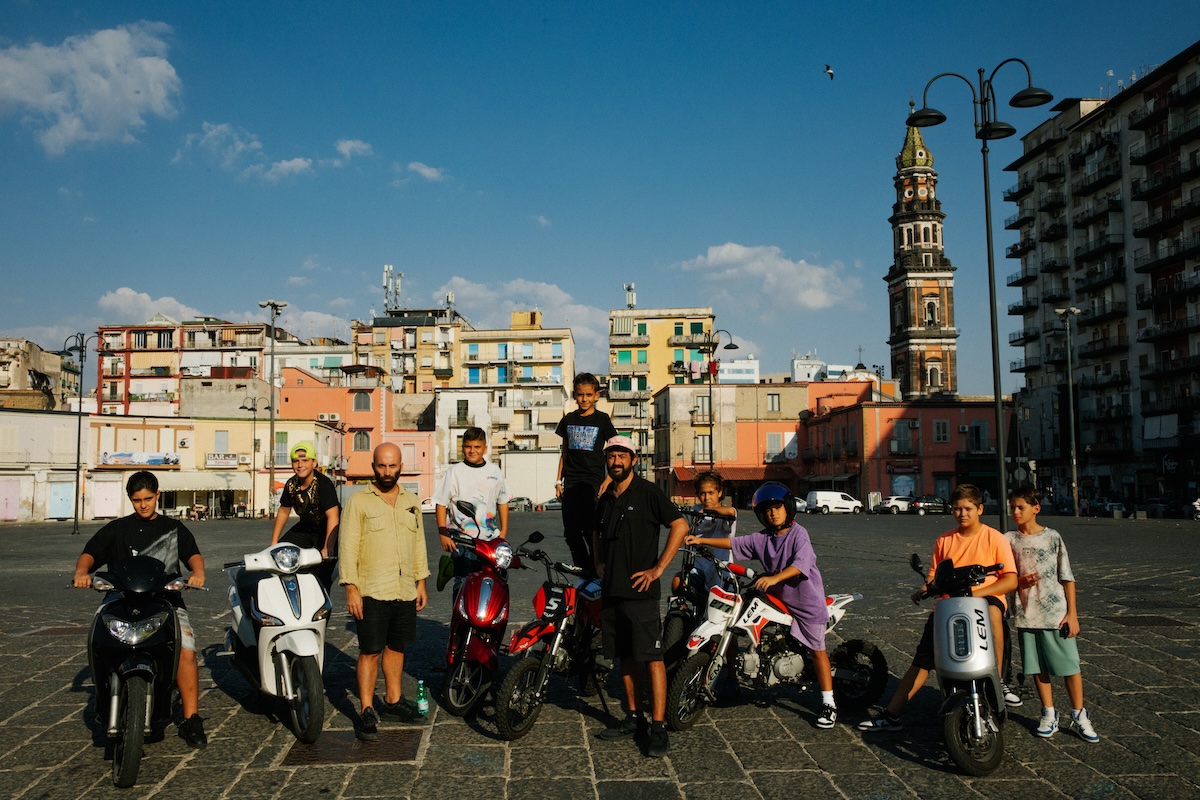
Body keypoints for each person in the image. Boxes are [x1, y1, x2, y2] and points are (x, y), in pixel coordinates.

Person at [859, 483, 1017, 732]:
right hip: (950, 602)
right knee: (922, 660)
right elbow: (934, 576)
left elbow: (1010, 579)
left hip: (986, 596)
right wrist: (924, 589)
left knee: (994, 615)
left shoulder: (994, 538)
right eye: (957, 509)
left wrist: (977, 592)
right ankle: (892, 714)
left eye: (967, 508)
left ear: (979, 509)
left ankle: (995, 679)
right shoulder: (944, 540)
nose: (962, 513)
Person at [72, 470, 209, 749]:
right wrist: (81, 571)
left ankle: (191, 717)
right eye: (137, 500)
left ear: (158, 495)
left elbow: (192, 554)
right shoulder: (116, 529)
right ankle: (105, 698)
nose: (143, 505)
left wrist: (198, 572)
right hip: (119, 600)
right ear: (130, 500)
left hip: (166, 600)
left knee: (186, 651)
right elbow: (91, 552)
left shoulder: (174, 528)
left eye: (148, 498)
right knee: (100, 643)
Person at [686, 481, 838, 729]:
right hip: (777, 599)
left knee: (817, 649)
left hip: (806, 603)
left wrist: (774, 577)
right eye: (767, 510)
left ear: (788, 508)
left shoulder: (799, 534)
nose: (773, 513)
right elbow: (737, 544)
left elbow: (801, 564)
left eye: (777, 507)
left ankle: (828, 703)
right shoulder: (764, 538)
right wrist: (701, 541)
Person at [593, 436, 688, 758]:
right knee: (626, 656)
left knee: (652, 658)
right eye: (612, 456)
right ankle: (634, 718)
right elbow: (596, 530)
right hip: (612, 591)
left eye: (622, 455)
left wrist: (659, 567)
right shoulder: (605, 497)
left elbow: (679, 525)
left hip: (641, 592)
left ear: (633, 459)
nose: (616, 461)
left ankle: (658, 726)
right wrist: (599, 561)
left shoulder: (648, 493)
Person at [339, 442, 430, 741]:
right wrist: (351, 587)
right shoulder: (358, 502)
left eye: (392, 466)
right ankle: (366, 709)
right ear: (373, 467)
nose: (387, 471)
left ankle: (393, 701)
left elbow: (418, 545)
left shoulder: (411, 501)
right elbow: (348, 546)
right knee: (370, 651)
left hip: (403, 588)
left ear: (400, 466)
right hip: (372, 589)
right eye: (381, 465)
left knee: (397, 647)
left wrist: (421, 582)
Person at [1006, 487, 1099, 742]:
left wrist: (1073, 614)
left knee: (1070, 666)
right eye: (1012, 506)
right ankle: (1048, 712)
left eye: (1020, 507)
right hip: (1027, 613)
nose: (1014, 511)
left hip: (1056, 612)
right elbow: (1005, 576)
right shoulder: (1008, 539)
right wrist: (1018, 583)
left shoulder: (1052, 537)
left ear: (1036, 508)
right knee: (1037, 667)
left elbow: (1067, 576)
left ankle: (1079, 714)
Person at [555, 372, 617, 576]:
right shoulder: (568, 420)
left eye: (589, 395)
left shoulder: (602, 420)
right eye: (580, 395)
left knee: (592, 530)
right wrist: (558, 481)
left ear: (596, 396)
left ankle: (598, 567)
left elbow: (615, 448)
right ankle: (585, 568)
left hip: (594, 482)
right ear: (575, 395)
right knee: (571, 532)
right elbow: (564, 453)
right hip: (571, 482)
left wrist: (609, 479)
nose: (584, 399)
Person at [435, 427, 509, 598]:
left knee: (496, 582)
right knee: (463, 583)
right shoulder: (454, 472)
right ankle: (460, 621)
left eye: (477, 447)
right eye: (468, 446)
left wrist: (503, 532)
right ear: (463, 448)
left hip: (490, 540)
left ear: (485, 448)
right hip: (462, 539)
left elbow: (503, 501)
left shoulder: (495, 471)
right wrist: (443, 533)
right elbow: (441, 503)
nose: (472, 451)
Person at [271, 440, 340, 593]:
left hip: (328, 530)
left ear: (314, 463)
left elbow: (333, 516)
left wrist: (327, 547)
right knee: (280, 553)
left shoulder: (324, 484)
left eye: (305, 460)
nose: (300, 465)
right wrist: (274, 543)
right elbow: (283, 511)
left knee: (321, 575)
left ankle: (321, 606)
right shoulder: (291, 485)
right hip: (306, 527)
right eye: (296, 461)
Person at [672, 470, 737, 596]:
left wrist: (709, 510)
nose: (707, 497)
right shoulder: (695, 510)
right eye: (703, 493)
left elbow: (731, 512)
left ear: (720, 493)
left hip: (721, 570)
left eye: (711, 493)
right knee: (677, 581)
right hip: (699, 567)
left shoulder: (726, 512)